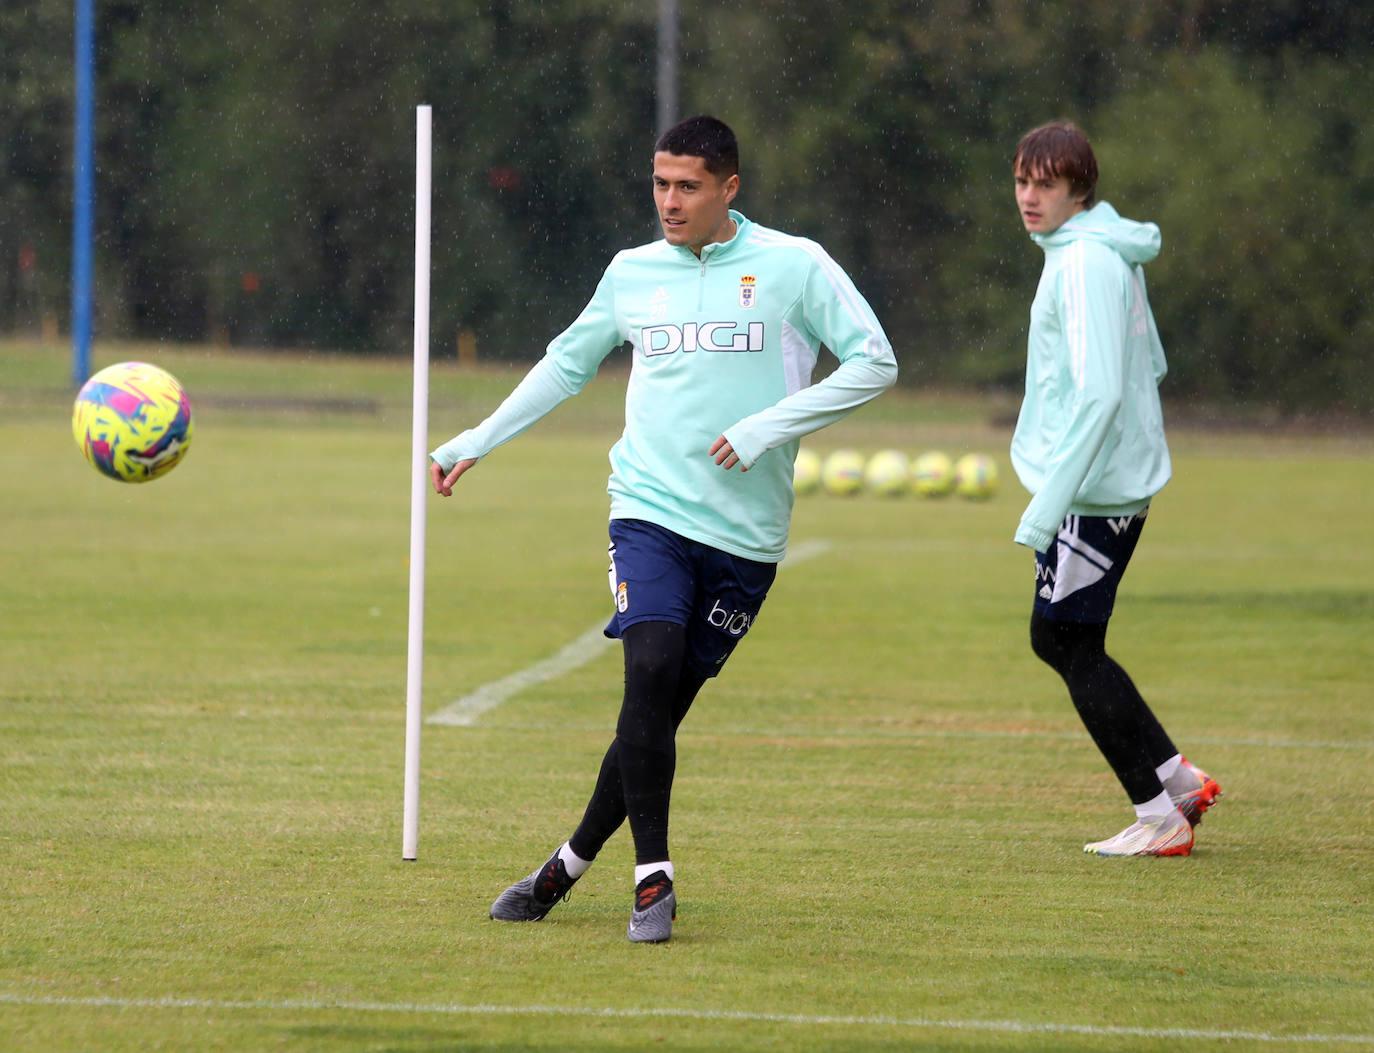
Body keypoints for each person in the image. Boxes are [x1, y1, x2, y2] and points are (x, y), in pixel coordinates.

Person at [430, 115, 896, 940]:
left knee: (655, 715)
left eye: (687, 186)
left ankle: (562, 867)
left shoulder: (795, 266)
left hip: (746, 540)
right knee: (648, 666)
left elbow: (875, 361)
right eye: (659, 184)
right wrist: (477, 438)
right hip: (646, 508)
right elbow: (567, 363)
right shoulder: (631, 272)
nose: (670, 202)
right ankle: (654, 879)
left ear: (729, 188)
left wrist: (767, 428)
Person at [1009, 120, 1222, 857]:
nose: (1030, 197)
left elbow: (1101, 394)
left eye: (1046, 184)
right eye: (1022, 181)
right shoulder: (1095, 250)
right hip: (1108, 479)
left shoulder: (1083, 264)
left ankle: (1160, 814)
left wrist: (1047, 504)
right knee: (1067, 638)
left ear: (1079, 189)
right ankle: (1176, 777)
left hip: (1095, 492)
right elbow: (1152, 360)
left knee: (1063, 637)